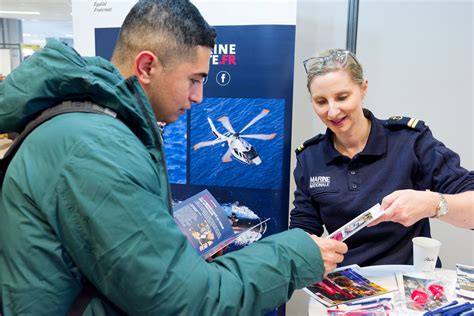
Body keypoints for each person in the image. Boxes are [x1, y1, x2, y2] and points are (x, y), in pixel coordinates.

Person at [0, 1, 348, 315]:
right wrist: (295, 256)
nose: (199, 97)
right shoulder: (94, 148)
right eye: (194, 80)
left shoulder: (92, 127)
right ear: (147, 66)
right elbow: (184, 301)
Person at [290, 48, 474, 268]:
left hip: (408, 285)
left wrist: (433, 204)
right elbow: (303, 230)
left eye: (342, 97)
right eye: (321, 101)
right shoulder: (310, 157)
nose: (332, 112)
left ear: (363, 88)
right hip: (347, 285)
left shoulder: (409, 140)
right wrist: (307, 249)